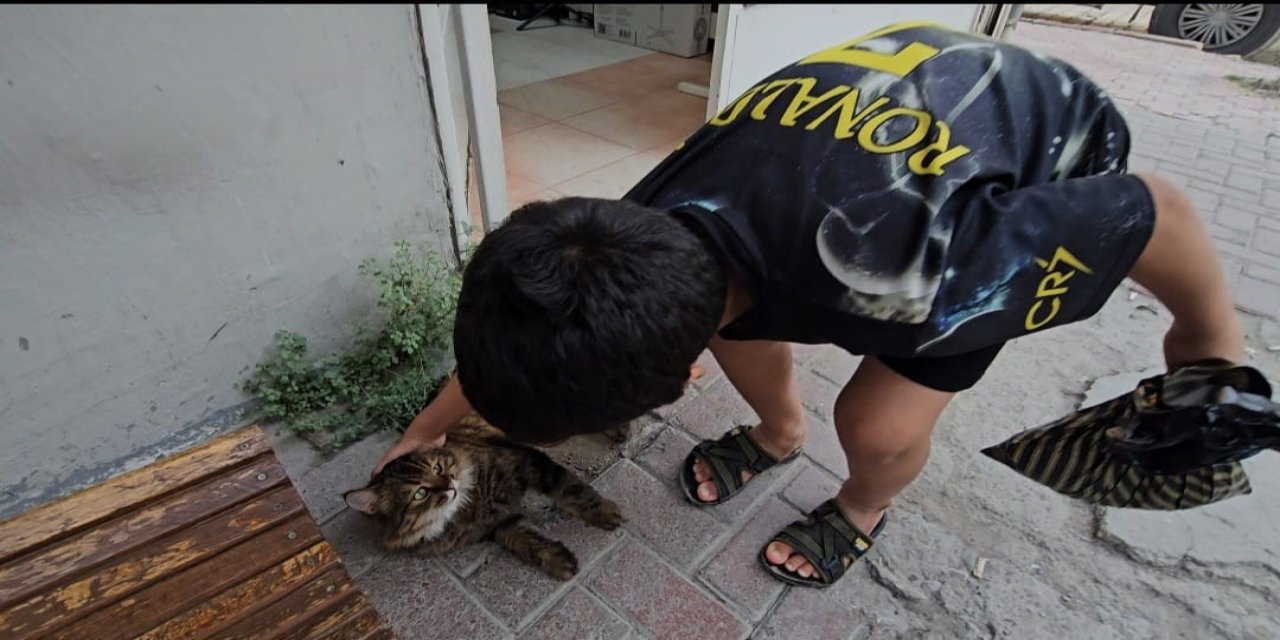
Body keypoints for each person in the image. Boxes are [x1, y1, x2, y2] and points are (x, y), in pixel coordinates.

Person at [375, 21, 1243, 588]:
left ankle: (865, 507)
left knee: (878, 423)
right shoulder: (627, 232)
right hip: (865, 138)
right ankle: (780, 433)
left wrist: (1206, 340)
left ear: (678, 380)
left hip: (1032, 153)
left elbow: (1158, 207)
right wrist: (429, 427)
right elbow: (532, 335)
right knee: (749, 333)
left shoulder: (937, 270)